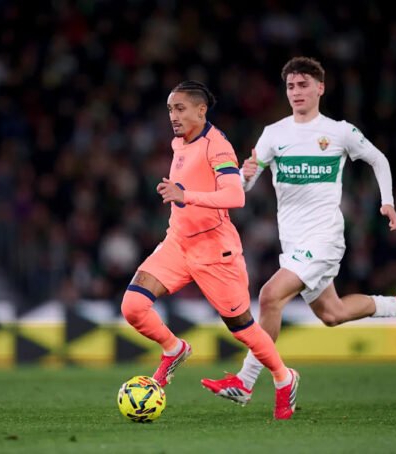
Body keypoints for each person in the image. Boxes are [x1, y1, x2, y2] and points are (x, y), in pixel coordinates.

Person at [201, 57, 396, 405]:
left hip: (325, 239)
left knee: (269, 296)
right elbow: (244, 187)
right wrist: (245, 175)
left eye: (303, 85)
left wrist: (387, 201)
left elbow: (378, 159)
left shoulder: (339, 132)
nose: (296, 92)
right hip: (294, 243)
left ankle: (245, 382)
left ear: (320, 88)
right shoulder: (273, 134)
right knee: (332, 313)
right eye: (291, 86)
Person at [121, 80, 299, 419]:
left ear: (201, 110)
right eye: (170, 109)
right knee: (133, 307)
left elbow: (235, 196)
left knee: (243, 328)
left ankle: (283, 377)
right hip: (177, 243)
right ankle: (173, 349)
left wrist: (184, 195)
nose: (173, 116)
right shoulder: (179, 142)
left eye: (180, 108)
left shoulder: (217, 146)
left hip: (215, 251)